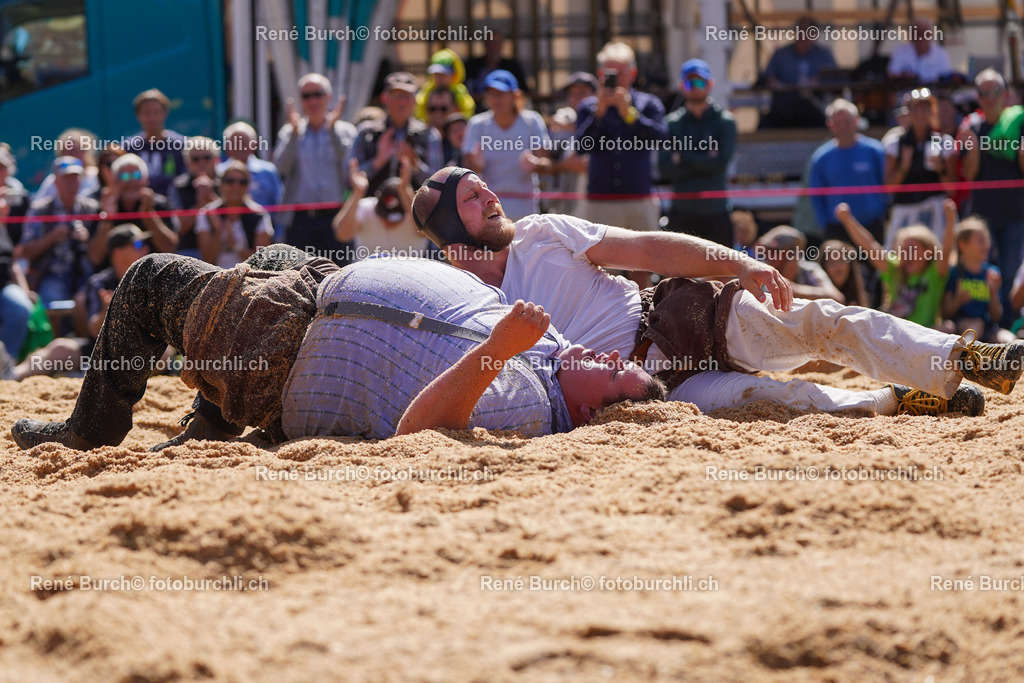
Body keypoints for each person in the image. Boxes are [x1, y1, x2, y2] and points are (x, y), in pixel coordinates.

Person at [410, 167, 1023, 418]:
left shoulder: (543, 233)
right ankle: (909, 398)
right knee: (792, 406)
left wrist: (740, 265)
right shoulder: (465, 301)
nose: (489, 196)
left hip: (675, 319)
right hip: (645, 394)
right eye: (471, 198)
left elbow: (650, 248)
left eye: (486, 187)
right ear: (448, 232)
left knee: (817, 323)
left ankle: (965, 358)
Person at [10, 253, 663, 449]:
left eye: (615, 378)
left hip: (292, 348)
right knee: (271, 253)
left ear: (592, 416)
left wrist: (498, 346)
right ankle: (211, 421)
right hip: (319, 286)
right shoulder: (550, 351)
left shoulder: (526, 407)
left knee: (150, 279)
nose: (611, 359)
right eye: (620, 360)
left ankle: (87, 430)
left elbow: (422, 430)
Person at [577, 42, 667, 287]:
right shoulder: (589, 106)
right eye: (609, 74)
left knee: (643, 265)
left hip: (638, 197)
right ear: (600, 76)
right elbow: (580, 146)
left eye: (620, 73)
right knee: (601, 270)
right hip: (601, 198)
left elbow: (661, 138)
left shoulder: (648, 104)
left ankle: (646, 319)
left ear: (633, 74)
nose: (614, 80)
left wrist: (630, 114)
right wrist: (599, 112)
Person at [959, 69, 1024, 328]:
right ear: (978, 96)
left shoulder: (1019, 124)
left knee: (1009, 274)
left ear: (1004, 94)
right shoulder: (972, 128)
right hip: (983, 217)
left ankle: (1008, 325)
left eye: (994, 92)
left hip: (1015, 214)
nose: (989, 97)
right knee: (982, 274)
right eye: (983, 93)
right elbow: (970, 174)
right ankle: (986, 326)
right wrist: (972, 148)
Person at [274, 73, 356, 260]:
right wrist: (295, 135)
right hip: (301, 218)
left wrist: (333, 132)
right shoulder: (291, 131)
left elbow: (350, 166)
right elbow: (281, 168)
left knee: (339, 274)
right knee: (298, 275)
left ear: (329, 96)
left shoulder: (345, 130)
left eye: (317, 94)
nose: (312, 101)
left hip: (337, 216)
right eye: (306, 96)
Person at [836, 199, 956, 328]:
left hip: (926, 334)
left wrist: (950, 219)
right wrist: (847, 219)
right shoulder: (895, 268)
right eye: (902, 250)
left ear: (928, 253)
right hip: (897, 335)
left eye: (912, 249)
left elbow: (947, 249)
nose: (906, 254)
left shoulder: (934, 272)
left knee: (947, 327)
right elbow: (870, 245)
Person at [660, 59, 736, 248]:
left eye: (700, 82)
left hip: (716, 211)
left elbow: (719, 164)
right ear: (681, 86)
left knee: (723, 272)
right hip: (682, 211)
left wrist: (683, 158)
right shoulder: (672, 124)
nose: (695, 87)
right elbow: (665, 169)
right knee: (677, 274)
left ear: (710, 84)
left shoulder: (724, 122)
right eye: (689, 82)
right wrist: (704, 160)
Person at [462, 70, 550, 221]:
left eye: (500, 93)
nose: (495, 99)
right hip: (487, 208)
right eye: (491, 94)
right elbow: (467, 169)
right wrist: (476, 166)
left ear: (515, 96)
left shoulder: (533, 121)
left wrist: (536, 164)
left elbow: (547, 163)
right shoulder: (477, 124)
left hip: (526, 208)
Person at [883, 88, 956, 249]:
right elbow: (889, 187)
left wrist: (941, 169)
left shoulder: (944, 142)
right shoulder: (895, 143)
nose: (920, 115)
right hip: (904, 213)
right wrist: (903, 167)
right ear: (908, 113)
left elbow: (952, 189)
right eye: (916, 109)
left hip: (935, 214)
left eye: (925, 109)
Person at [809, 99, 889, 244]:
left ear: (857, 121)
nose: (844, 127)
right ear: (830, 125)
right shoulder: (821, 158)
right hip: (837, 229)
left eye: (847, 122)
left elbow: (887, 184)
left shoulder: (875, 151)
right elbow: (816, 195)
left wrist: (883, 213)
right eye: (838, 123)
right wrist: (824, 223)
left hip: (872, 225)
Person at [19, 157, 98, 304]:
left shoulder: (92, 208)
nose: (72, 184)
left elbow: (99, 255)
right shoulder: (40, 210)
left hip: (85, 275)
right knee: (52, 300)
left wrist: (86, 239)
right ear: (56, 181)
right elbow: (25, 252)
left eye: (76, 178)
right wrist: (52, 237)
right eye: (67, 178)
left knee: (92, 301)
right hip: (51, 276)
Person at [349, 71, 439, 197]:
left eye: (407, 96)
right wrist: (378, 162)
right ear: (384, 98)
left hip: (414, 211)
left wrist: (416, 166)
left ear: (414, 100)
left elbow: (438, 183)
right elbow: (347, 178)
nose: (402, 102)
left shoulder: (429, 135)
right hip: (372, 210)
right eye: (397, 95)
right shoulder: (366, 132)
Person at [91, 153, 179, 265]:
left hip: (154, 271)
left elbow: (170, 248)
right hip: (114, 275)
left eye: (137, 176)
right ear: (114, 181)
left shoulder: (160, 205)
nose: (131, 182)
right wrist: (108, 219)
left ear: (146, 179)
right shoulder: (104, 206)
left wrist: (149, 216)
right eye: (125, 176)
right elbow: (95, 257)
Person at [332, 158, 427, 258]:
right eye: (384, 215)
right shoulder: (367, 207)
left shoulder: (414, 217)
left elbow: (424, 233)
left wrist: (404, 190)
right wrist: (357, 193)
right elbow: (342, 234)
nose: (388, 222)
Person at [758, 16, 837, 128]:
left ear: (815, 35)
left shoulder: (823, 54)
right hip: (785, 106)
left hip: (814, 106)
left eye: (807, 32)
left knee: (823, 121)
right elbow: (767, 76)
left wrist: (820, 82)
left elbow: (836, 77)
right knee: (766, 123)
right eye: (800, 32)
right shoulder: (781, 54)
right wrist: (773, 82)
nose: (803, 36)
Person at [942, 216, 1013, 342]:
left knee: (1010, 340)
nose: (986, 245)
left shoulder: (992, 273)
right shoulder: (955, 272)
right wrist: (958, 299)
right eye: (980, 241)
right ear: (963, 245)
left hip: (987, 328)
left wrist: (993, 293)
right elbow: (945, 312)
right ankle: (965, 355)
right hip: (959, 326)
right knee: (971, 326)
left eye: (987, 241)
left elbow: (996, 317)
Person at [195, 161, 274, 268]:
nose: (236, 186)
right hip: (215, 276)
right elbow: (207, 259)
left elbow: (261, 263)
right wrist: (218, 233)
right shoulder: (206, 214)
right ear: (221, 185)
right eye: (230, 181)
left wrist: (235, 246)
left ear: (248, 187)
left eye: (242, 182)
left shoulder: (259, 215)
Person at [218, 121, 284, 235]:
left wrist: (278, 236)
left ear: (254, 144)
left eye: (243, 142)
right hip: (223, 238)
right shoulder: (218, 171)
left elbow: (280, 206)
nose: (239, 147)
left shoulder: (268, 171)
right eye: (234, 143)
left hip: (265, 235)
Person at [755, 225, 845, 301]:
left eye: (775, 250)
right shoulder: (763, 271)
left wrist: (790, 287)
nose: (767, 254)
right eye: (766, 249)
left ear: (791, 254)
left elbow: (836, 297)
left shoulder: (809, 270)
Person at [123, 89, 187, 196]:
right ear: (138, 115)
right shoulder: (129, 147)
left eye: (156, 112)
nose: (152, 118)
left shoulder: (181, 145)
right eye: (147, 113)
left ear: (165, 113)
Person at [168, 136, 220, 259]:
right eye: (195, 159)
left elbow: (233, 216)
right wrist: (199, 204)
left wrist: (211, 196)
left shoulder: (229, 181)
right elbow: (179, 228)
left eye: (207, 157)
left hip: (223, 248)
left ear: (216, 159)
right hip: (189, 251)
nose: (201, 163)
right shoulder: (178, 186)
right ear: (188, 163)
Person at [33, 128, 101, 201]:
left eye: (75, 150)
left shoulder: (96, 177)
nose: (71, 155)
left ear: (85, 152)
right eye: (66, 151)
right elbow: (38, 204)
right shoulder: (53, 179)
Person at [464, 32, 530, 103]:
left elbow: (524, 90)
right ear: (485, 45)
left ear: (502, 46)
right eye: (490, 43)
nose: (493, 47)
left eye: (496, 43)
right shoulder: (472, 65)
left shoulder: (512, 66)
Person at [414, 48, 475, 123]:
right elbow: (418, 111)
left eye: (443, 74)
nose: (439, 78)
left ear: (453, 74)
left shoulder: (460, 91)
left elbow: (467, 113)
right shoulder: (427, 90)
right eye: (436, 74)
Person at [887, 19, 953, 84]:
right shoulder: (901, 51)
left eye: (925, 33)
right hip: (906, 92)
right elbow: (892, 75)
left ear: (931, 35)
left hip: (934, 92)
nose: (921, 37)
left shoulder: (941, 53)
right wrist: (906, 77)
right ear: (912, 35)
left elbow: (947, 77)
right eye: (918, 33)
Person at [819, 239, 869, 307]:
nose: (838, 268)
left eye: (842, 261)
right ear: (823, 266)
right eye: (832, 262)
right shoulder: (816, 296)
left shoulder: (859, 296)